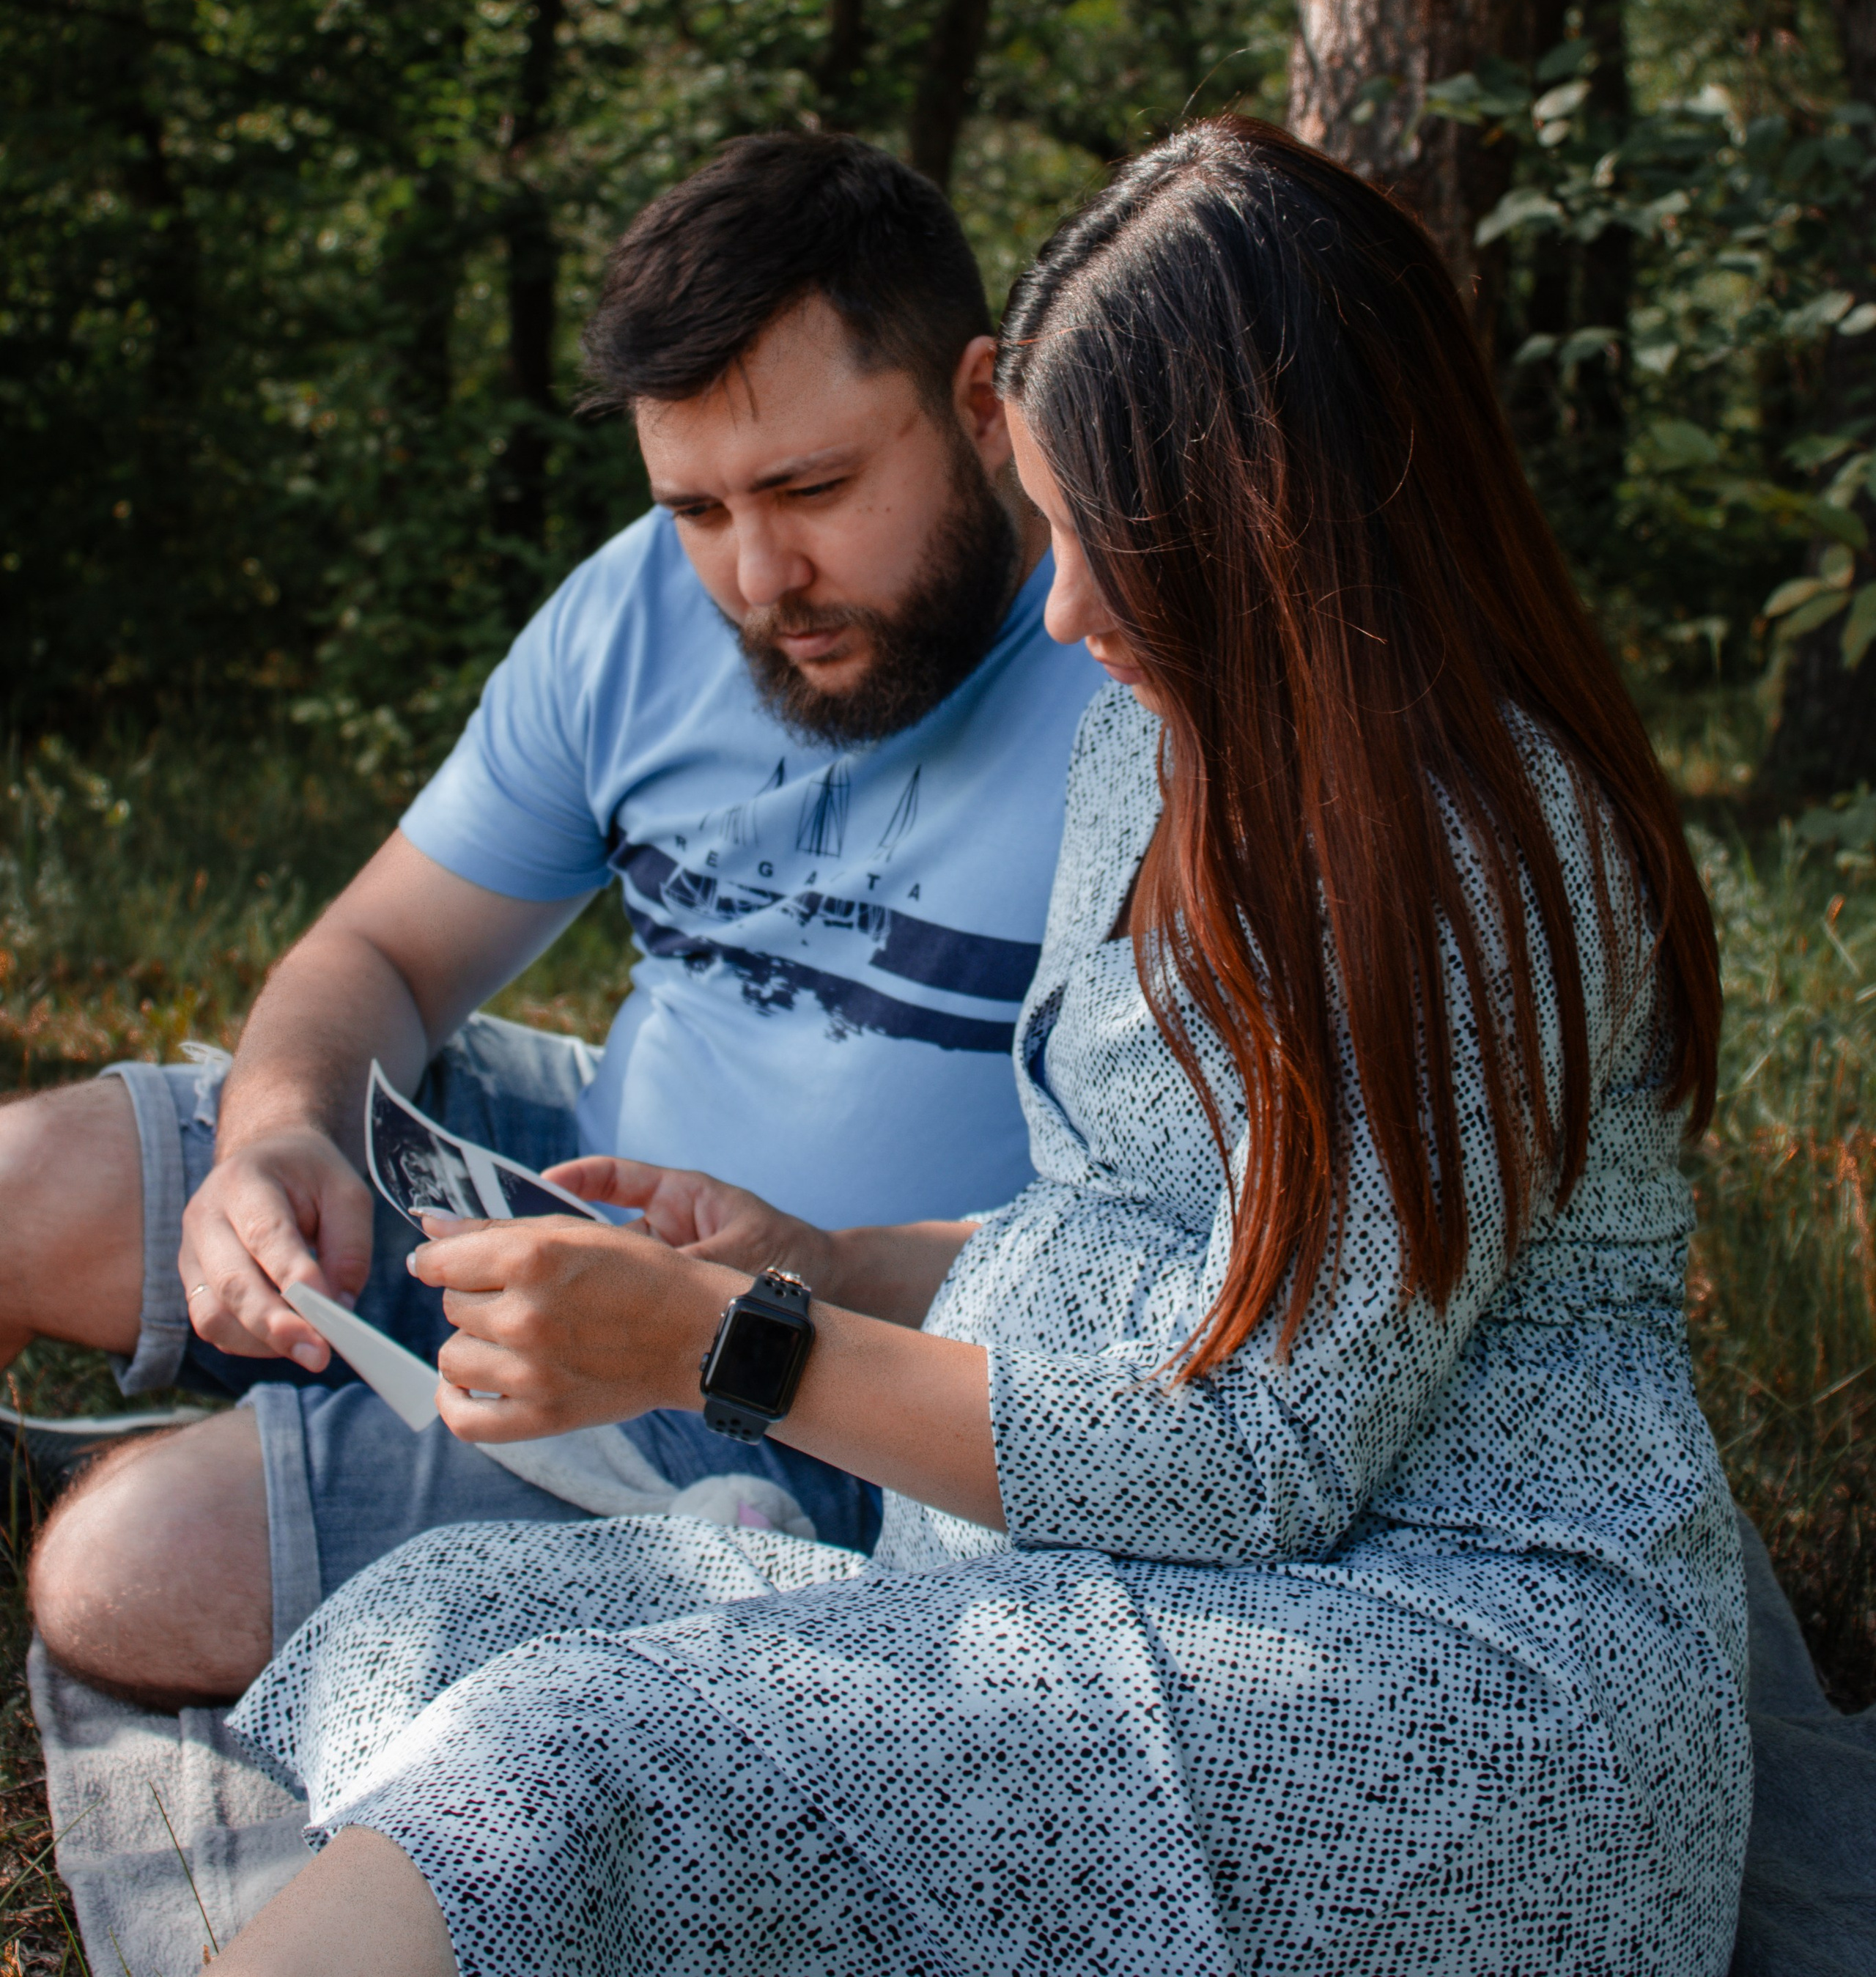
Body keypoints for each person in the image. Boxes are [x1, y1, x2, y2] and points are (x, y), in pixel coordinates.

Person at [207, 117, 1749, 1977]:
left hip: (1430, 1663)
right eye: (1060, 526)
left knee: (561, 1765)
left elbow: (1258, 1448)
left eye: (1114, 541)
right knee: (442, 1626)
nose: (1067, 602)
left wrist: (730, 1347)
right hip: (1107, 1578)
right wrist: (825, 1261)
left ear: (1285, 517)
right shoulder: (1160, 730)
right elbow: (1143, 1233)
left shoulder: (1467, 854)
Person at [14, 134, 1098, 1705]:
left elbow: (1210, 1255)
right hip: (543, 1194)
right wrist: (276, 1136)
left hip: (816, 1391)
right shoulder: (637, 607)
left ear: (982, 403)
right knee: (26, 1180)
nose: (756, 575)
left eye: (812, 487)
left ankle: (183, 1478)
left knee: (126, 1574)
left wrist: (822, 1276)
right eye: (696, 507)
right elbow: (376, 954)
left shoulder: (1135, 672)